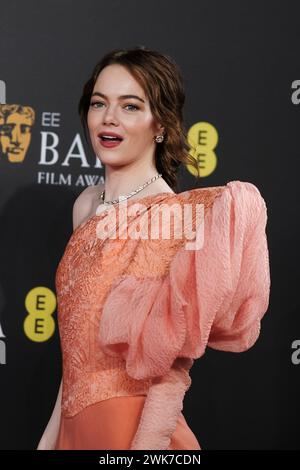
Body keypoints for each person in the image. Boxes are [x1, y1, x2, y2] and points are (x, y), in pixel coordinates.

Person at [37, 46, 271, 450]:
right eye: (99, 103)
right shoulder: (86, 206)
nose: (108, 118)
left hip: (134, 432)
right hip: (75, 428)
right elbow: (76, 358)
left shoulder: (179, 218)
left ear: (160, 122)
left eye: (130, 106)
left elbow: (173, 368)